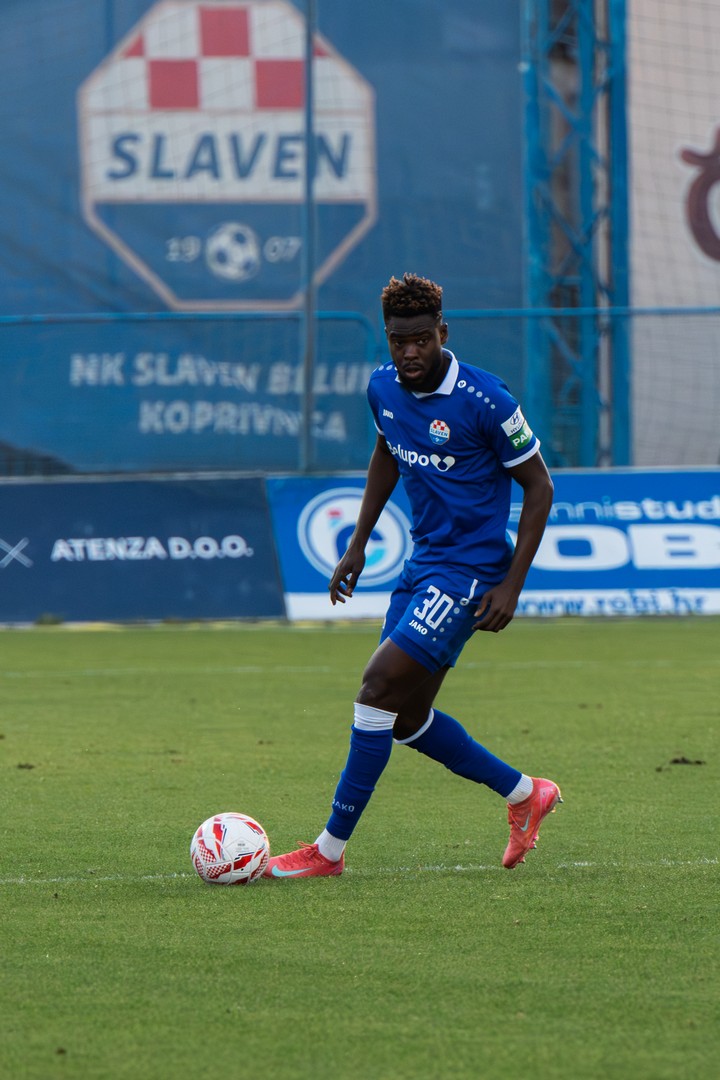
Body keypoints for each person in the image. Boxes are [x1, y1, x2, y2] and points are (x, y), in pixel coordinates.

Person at [264, 273, 561, 880]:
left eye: (422, 339)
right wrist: (357, 543)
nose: (410, 352)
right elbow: (386, 452)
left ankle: (327, 851)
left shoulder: (487, 400)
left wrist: (511, 585)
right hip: (423, 564)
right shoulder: (382, 387)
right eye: (399, 341)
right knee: (403, 718)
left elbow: (540, 487)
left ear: (442, 333)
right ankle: (526, 793)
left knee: (376, 689)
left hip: (472, 572)